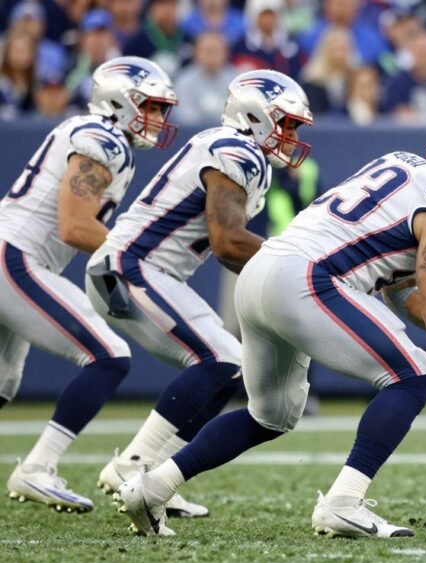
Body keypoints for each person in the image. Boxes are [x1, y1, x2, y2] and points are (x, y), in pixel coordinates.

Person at [117, 113, 426, 538]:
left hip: (261, 272)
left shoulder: (401, 164)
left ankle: (153, 486)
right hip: (307, 279)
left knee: (270, 415)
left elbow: (399, 288)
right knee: (415, 374)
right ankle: (344, 502)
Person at [85, 69, 313, 519]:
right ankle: (133, 464)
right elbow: (228, 242)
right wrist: (304, 269)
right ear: (256, 117)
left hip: (148, 271)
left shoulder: (235, 151)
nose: (291, 136)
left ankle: (154, 477)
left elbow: (231, 251)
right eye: (286, 124)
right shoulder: (236, 151)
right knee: (221, 358)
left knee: (229, 366)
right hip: (134, 266)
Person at [2, 57, 177, 512]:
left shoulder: (99, 135)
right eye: (151, 106)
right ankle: (38, 467)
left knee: (2, 380)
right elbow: (75, 226)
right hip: (16, 257)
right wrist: (134, 257)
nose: (158, 118)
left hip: (17, 255)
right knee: (109, 355)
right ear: (120, 102)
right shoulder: (104, 140)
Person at [172, 32, 237, 126]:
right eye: (208, 51)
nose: (213, 55)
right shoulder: (183, 81)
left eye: (218, 51)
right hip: (194, 133)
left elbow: (240, 117)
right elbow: (186, 118)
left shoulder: (236, 80)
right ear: (196, 53)